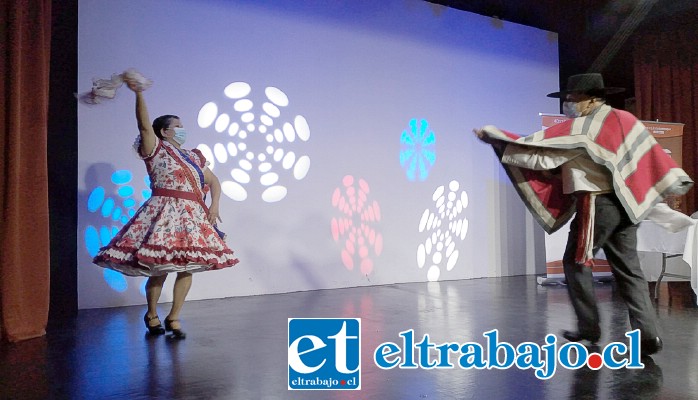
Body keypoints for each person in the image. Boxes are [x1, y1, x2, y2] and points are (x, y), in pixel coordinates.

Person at [473, 73, 693, 356]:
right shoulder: (626, 120)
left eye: (572, 98)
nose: (569, 104)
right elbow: (648, 158)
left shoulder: (582, 129)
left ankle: (589, 328)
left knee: (575, 263)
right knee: (630, 271)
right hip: (629, 206)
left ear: (590, 98)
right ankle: (647, 334)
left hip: (597, 204)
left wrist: (497, 140)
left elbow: (541, 156)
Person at [93, 71, 239, 339]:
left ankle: (174, 317)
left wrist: (215, 206)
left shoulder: (193, 156)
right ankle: (151, 313)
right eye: (178, 126)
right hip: (163, 213)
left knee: (188, 266)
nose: (183, 130)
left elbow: (214, 181)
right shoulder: (156, 148)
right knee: (159, 267)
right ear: (164, 131)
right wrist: (139, 93)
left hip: (192, 215)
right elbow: (143, 125)